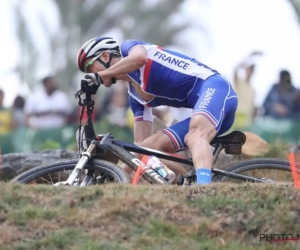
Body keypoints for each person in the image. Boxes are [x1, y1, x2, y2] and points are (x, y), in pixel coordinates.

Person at [76, 37, 238, 185]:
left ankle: (205, 189)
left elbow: (140, 59)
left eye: (90, 67)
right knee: (146, 148)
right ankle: (189, 185)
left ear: (105, 56)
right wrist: (116, 177)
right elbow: (140, 150)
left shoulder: (129, 48)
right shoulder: (135, 97)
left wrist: (100, 75)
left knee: (195, 135)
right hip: (210, 108)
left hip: (215, 88)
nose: (91, 74)